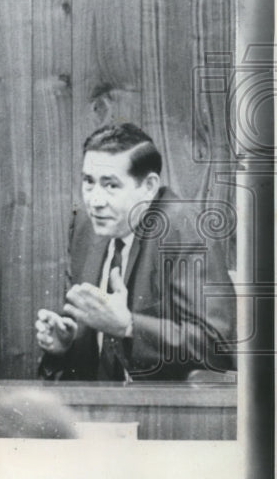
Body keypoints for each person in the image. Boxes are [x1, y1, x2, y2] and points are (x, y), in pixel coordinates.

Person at [36, 123, 236, 381]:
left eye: (111, 185)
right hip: (98, 402)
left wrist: (130, 326)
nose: (95, 201)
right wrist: (66, 345)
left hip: (165, 404)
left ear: (149, 186)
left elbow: (215, 347)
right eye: (88, 182)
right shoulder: (86, 227)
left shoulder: (184, 230)